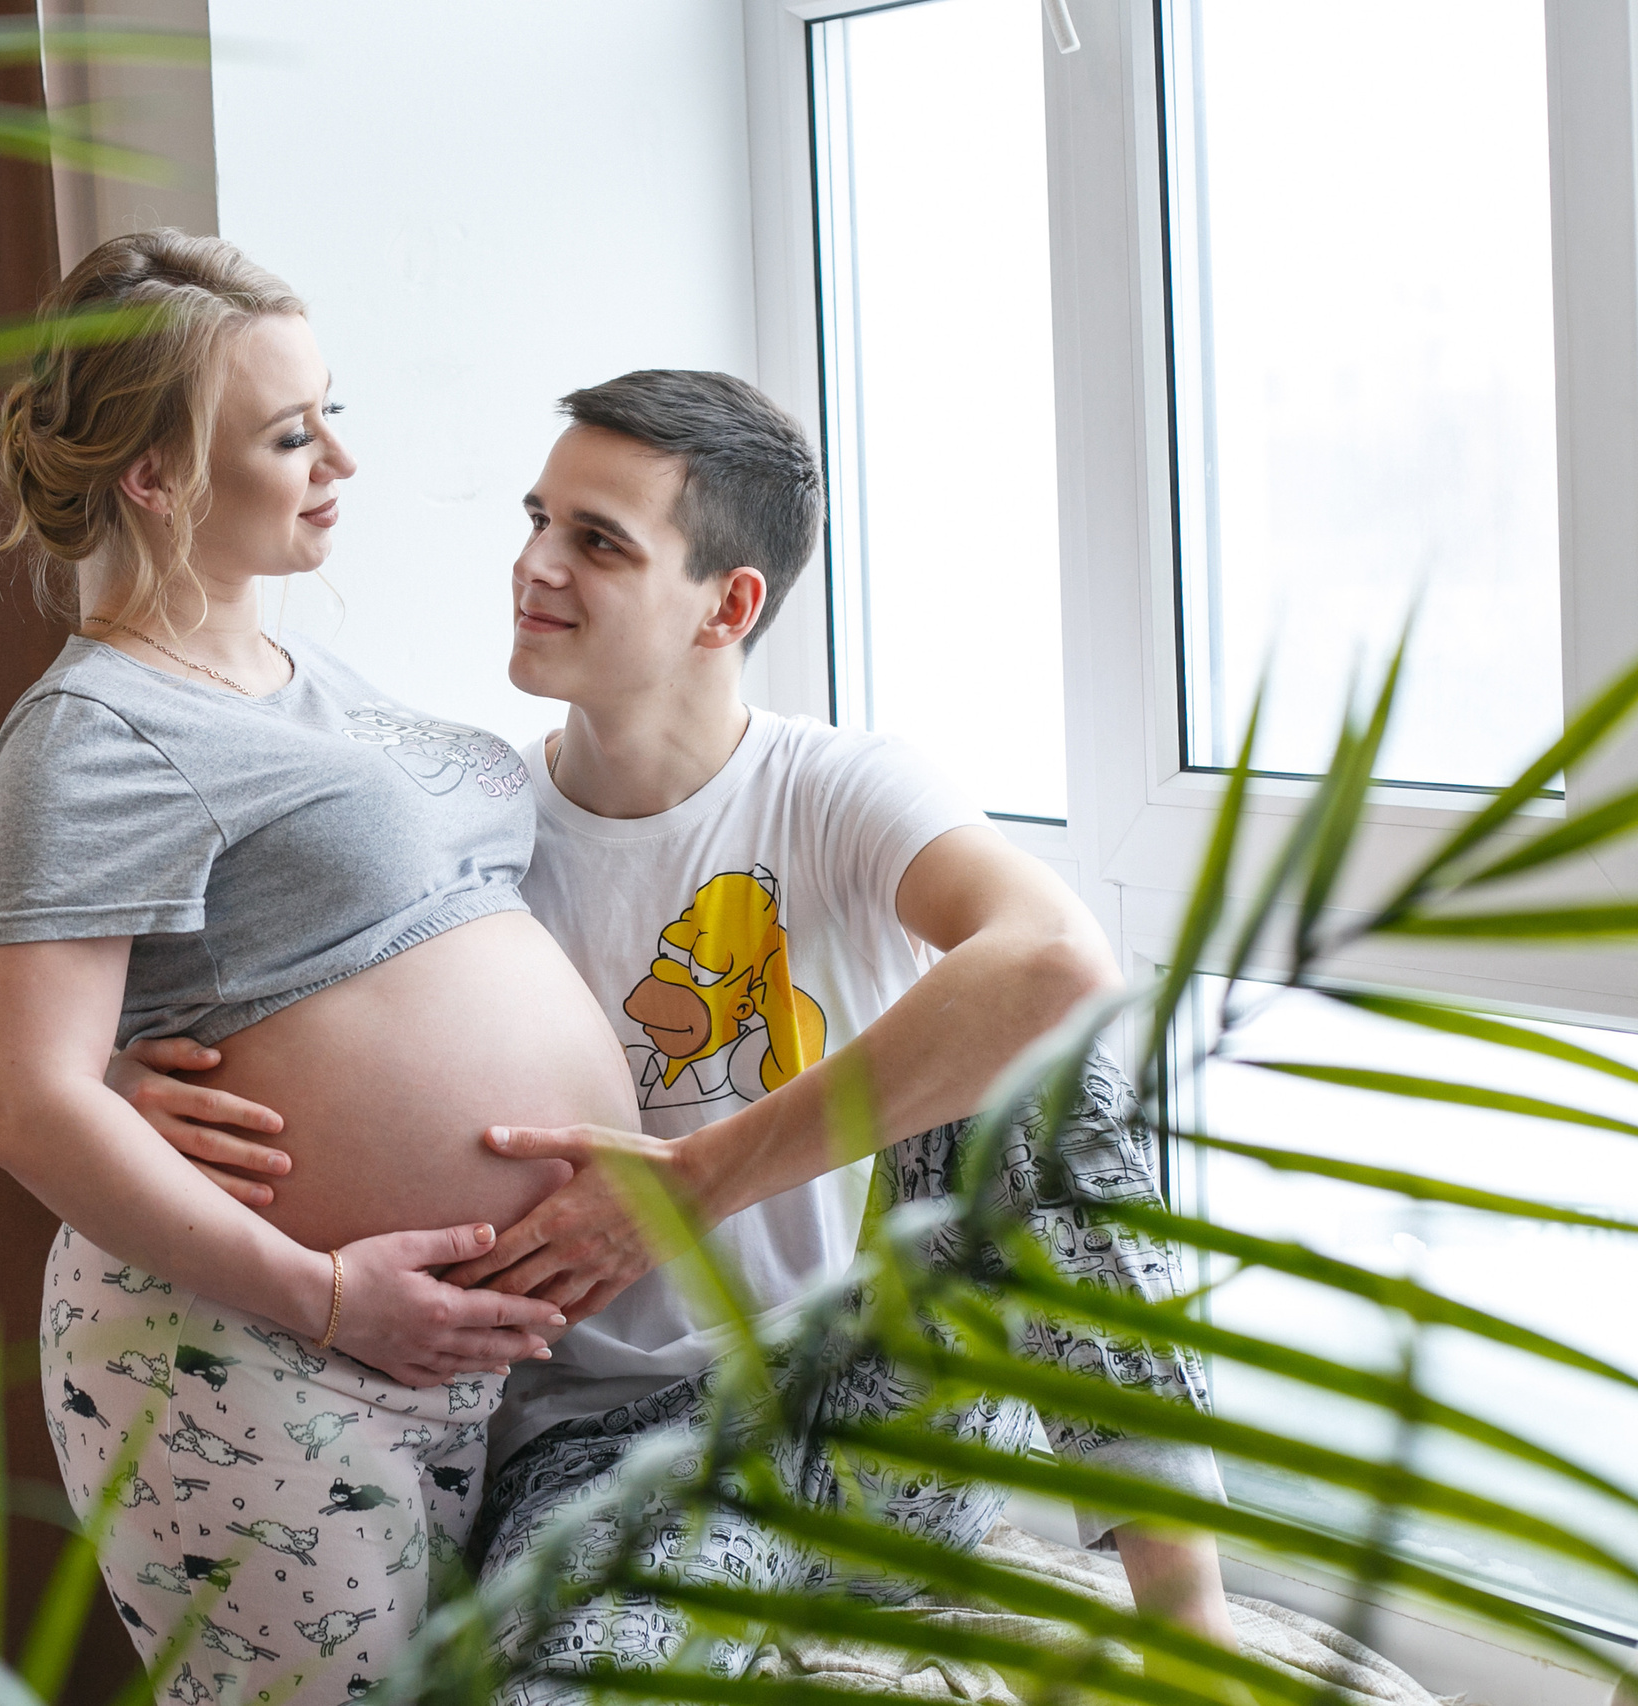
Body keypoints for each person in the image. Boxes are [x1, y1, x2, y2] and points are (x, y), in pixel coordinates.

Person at [120, 370, 1239, 1694]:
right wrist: (133, 1075)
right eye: (538, 518)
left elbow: (1057, 960)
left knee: (1042, 1060)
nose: (532, 563)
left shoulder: (837, 787)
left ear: (731, 602)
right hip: (617, 1445)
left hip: (883, 1405)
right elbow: (276, 988)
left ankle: (1193, 1632)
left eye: (597, 540)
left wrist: (694, 1186)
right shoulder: (468, 814)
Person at [0, 231, 648, 1704]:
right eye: (290, 432)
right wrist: (329, 1295)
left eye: (332, 409)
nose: (339, 456)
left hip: (426, 1351)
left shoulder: (306, 678)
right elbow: (23, 1100)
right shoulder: (89, 732)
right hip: (253, 1345)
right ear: (153, 476)